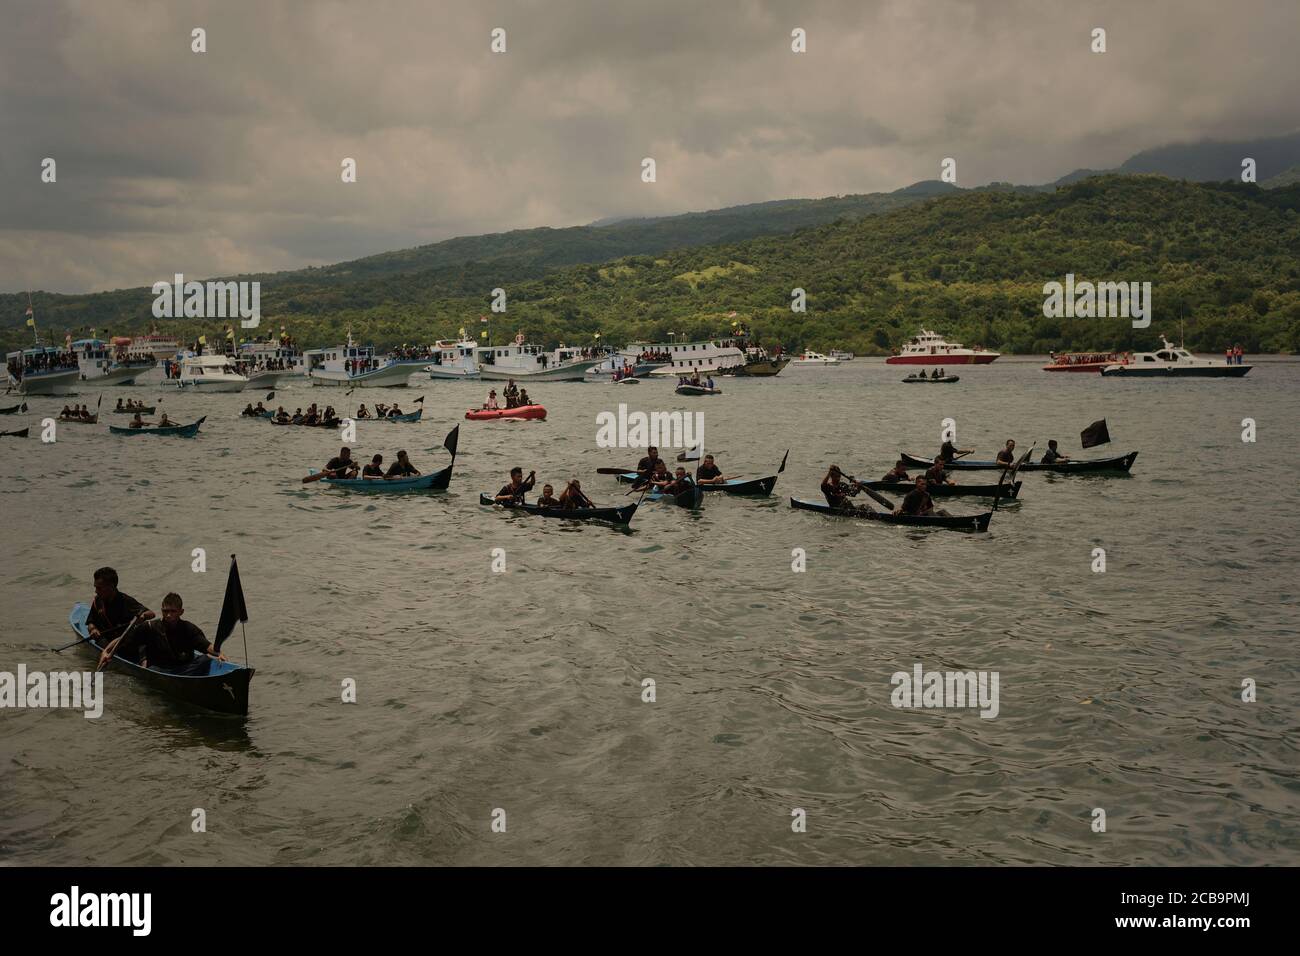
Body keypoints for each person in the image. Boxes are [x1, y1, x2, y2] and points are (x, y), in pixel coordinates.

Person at [103, 592, 225, 674]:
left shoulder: (188, 628)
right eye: (166, 611)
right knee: (151, 669)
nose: (169, 615)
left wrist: (218, 652)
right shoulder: (150, 627)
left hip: (184, 669)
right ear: (161, 610)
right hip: (160, 670)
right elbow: (123, 639)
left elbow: (206, 645)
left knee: (205, 660)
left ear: (181, 612)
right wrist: (106, 651)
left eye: (173, 611)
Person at [86, 567, 155, 652]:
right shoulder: (98, 601)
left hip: (123, 641)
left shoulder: (126, 601)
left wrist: (142, 616)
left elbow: (151, 613)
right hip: (105, 640)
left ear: (111, 587)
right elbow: (90, 622)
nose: (96, 591)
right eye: (95, 587)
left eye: (99, 588)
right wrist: (93, 629)